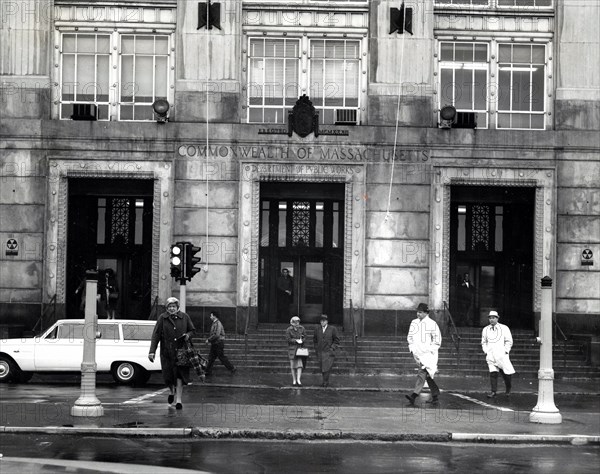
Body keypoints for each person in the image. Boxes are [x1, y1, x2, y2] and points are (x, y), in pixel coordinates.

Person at [148, 297, 195, 410]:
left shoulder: (185, 317)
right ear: (167, 308)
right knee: (168, 376)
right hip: (166, 352)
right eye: (169, 307)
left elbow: (192, 330)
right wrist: (152, 351)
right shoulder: (162, 318)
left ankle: (178, 400)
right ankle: (171, 391)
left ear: (177, 307)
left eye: (174, 306)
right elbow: (156, 335)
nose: (172, 309)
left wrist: (187, 335)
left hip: (181, 352)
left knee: (180, 376)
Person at [405, 303, 442, 406]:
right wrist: (412, 350)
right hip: (418, 354)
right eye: (417, 312)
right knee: (428, 375)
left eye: (421, 312)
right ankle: (435, 396)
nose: (418, 314)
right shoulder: (414, 323)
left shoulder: (432, 324)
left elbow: (437, 340)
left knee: (422, 374)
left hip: (429, 355)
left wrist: (429, 350)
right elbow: (410, 338)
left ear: (426, 313)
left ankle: (414, 396)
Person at [482, 310, 515, 398]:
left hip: (501, 355)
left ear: (497, 318)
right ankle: (493, 391)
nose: (491, 320)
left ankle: (508, 388)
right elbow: (484, 342)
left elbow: (509, 341)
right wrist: (486, 350)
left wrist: (506, 351)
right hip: (491, 355)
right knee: (493, 373)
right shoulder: (485, 329)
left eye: (493, 318)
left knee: (506, 374)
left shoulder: (504, 328)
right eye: (490, 318)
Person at [205, 311, 236, 376]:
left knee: (221, 357)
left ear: (214, 316)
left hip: (218, 343)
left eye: (211, 315)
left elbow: (217, 335)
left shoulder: (218, 323)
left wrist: (209, 340)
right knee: (211, 358)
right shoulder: (215, 323)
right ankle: (207, 371)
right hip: (215, 343)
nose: (210, 317)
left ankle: (232, 368)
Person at [313, 314, 340, 387]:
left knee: (327, 367)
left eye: (324, 321)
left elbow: (336, 340)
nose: (322, 322)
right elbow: (315, 340)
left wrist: (332, 348)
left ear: (327, 321)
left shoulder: (332, 329)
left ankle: (325, 382)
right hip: (320, 351)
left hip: (328, 351)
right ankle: (325, 381)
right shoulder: (317, 329)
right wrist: (316, 347)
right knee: (322, 367)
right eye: (321, 321)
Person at [286, 316, 306, 386]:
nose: (296, 323)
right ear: (292, 322)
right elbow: (288, 339)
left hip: (299, 349)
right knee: (293, 366)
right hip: (292, 349)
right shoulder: (289, 330)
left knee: (299, 365)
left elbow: (304, 337)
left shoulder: (302, 328)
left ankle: (298, 380)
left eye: (297, 322)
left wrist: (302, 340)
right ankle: (294, 380)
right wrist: (296, 340)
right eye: (294, 322)